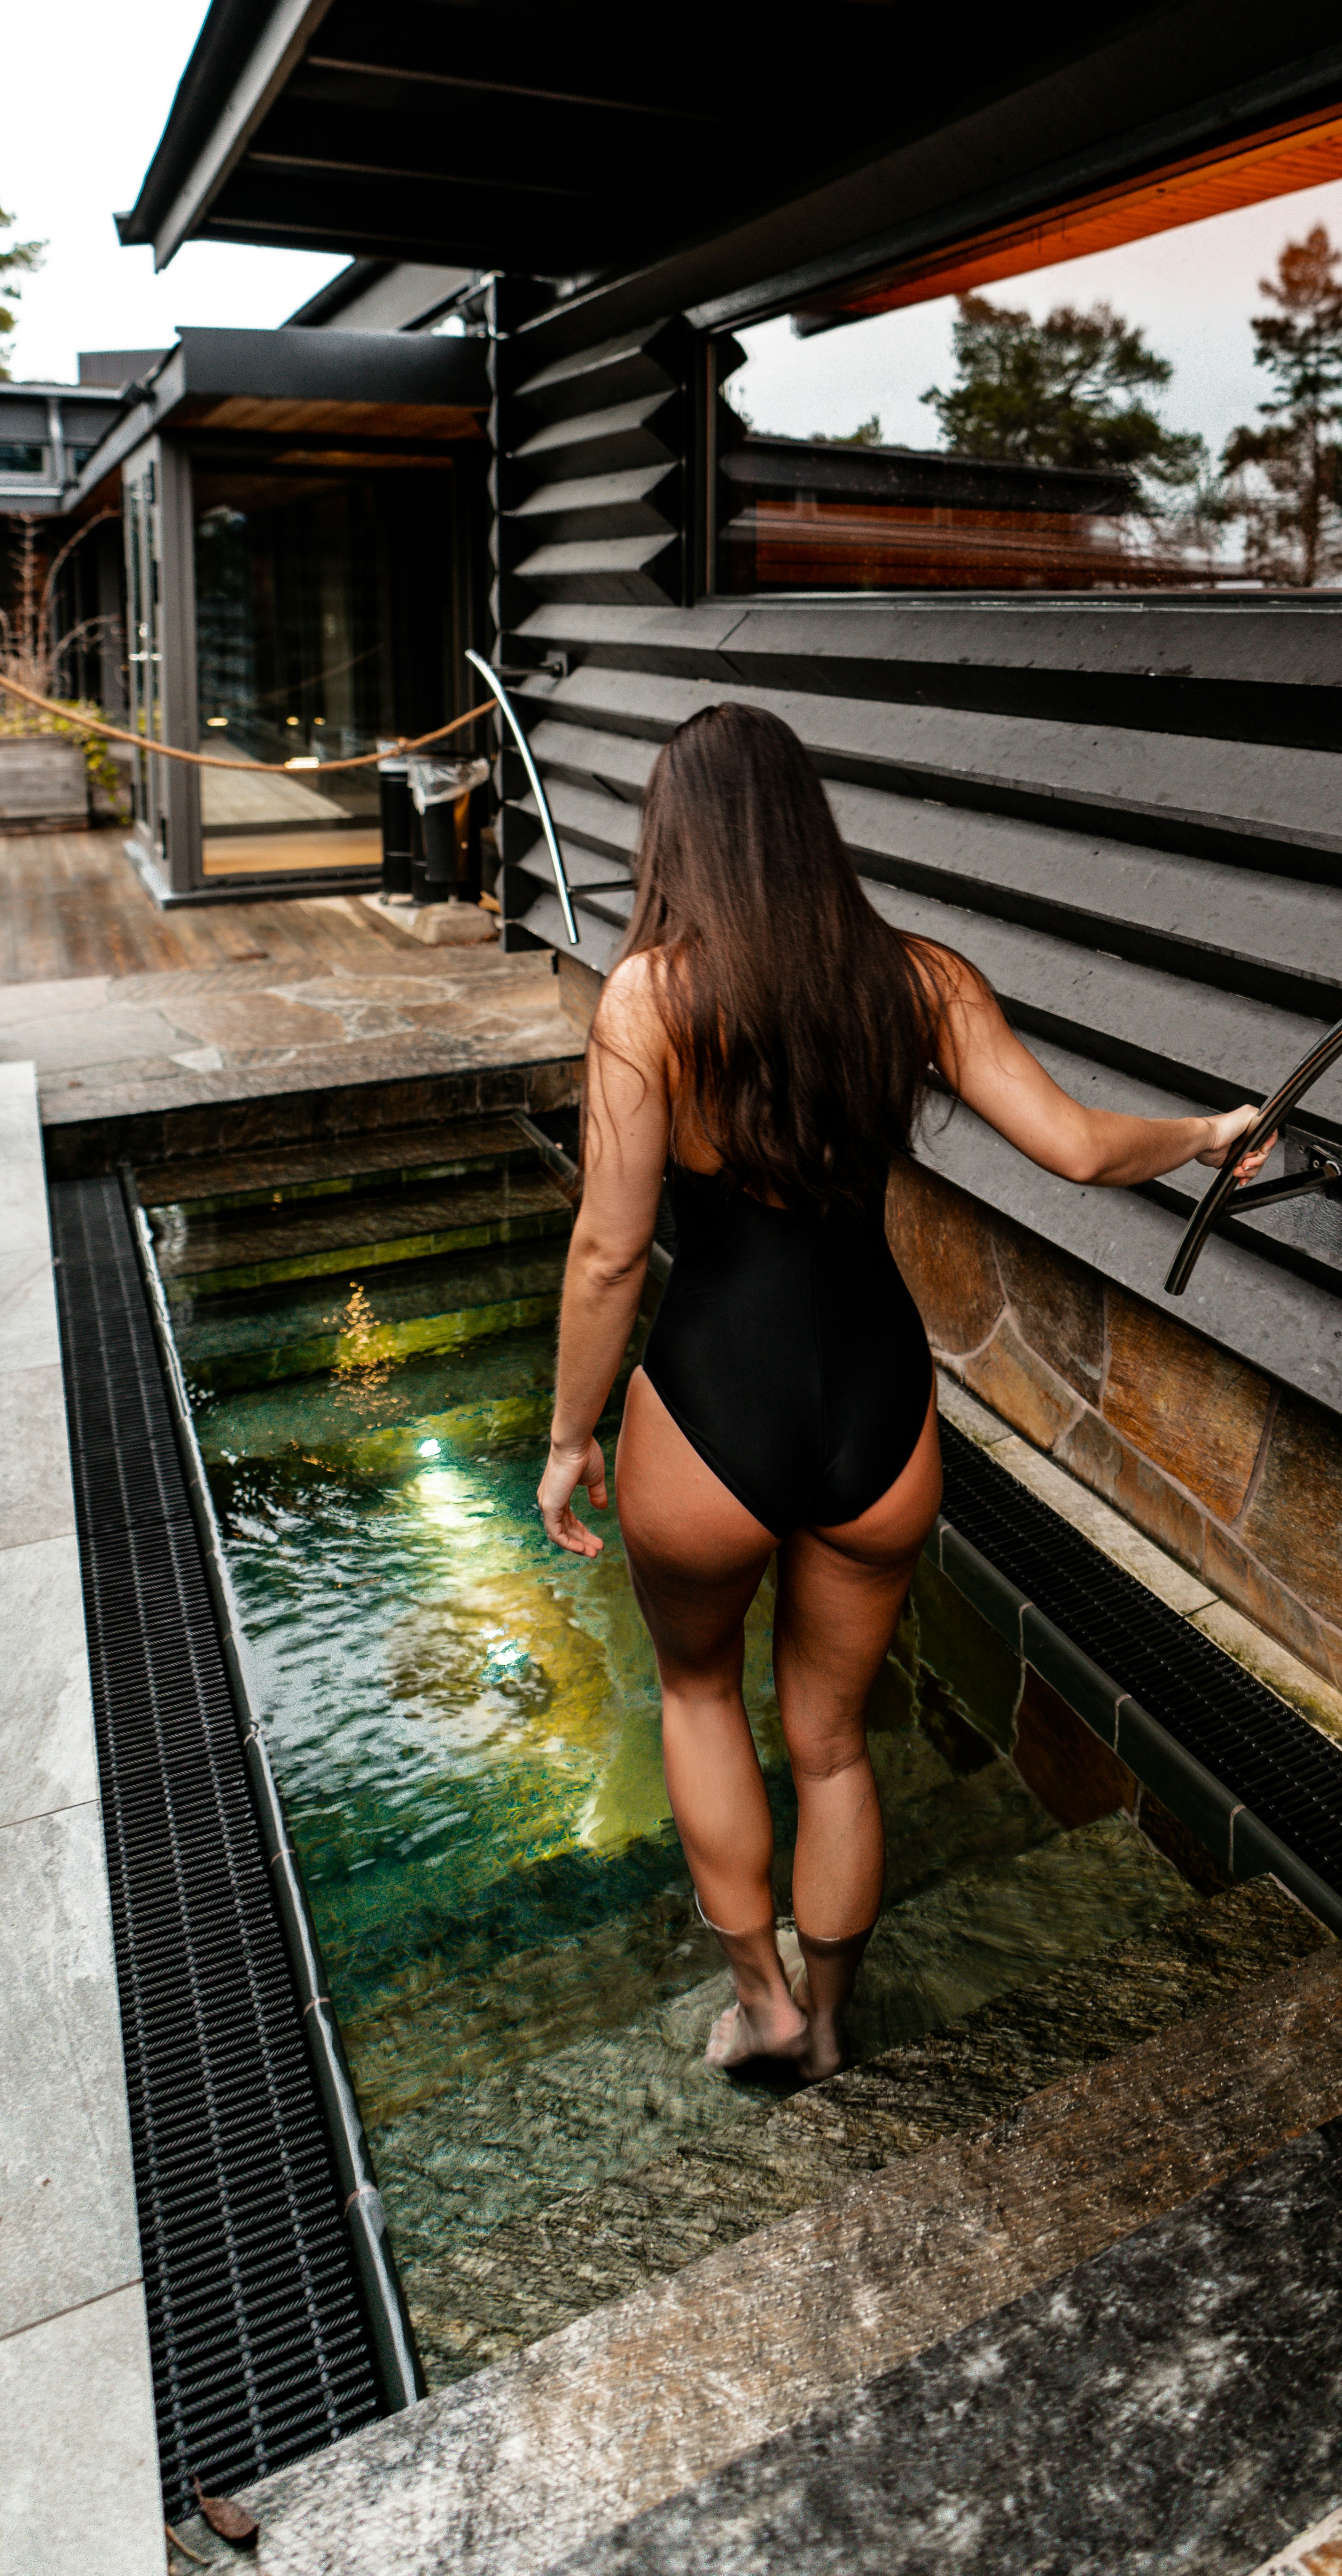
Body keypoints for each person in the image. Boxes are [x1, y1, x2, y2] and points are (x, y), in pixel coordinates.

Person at [536, 702, 1272, 2078]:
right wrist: (1209, 1130)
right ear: (804, 824)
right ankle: (827, 2024)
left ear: (675, 834)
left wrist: (572, 1434)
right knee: (829, 1744)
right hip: (878, 1401)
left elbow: (610, 1249)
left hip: (712, 1405)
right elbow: (1072, 1144)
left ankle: (756, 2008)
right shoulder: (914, 979)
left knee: (700, 1696)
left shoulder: (649, 996)